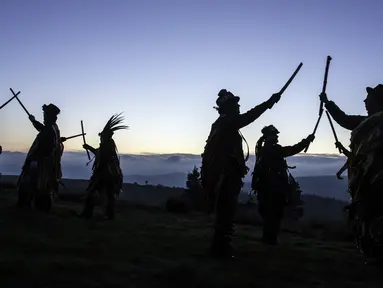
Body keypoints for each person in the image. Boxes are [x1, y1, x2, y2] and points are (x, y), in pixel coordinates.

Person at [200, 88, 281, 259]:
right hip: (226, 176)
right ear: (228, 108)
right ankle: (220, 250)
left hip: (225, 175)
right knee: (226, 212)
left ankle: (221, 247)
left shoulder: (222, 123)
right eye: (235, 106)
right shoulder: (227, 122)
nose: (238, 108)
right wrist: (268, 103)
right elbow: (248, 117)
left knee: (225, 212)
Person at [251, 125, 314, 245]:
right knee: (274, 214)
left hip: (265, 188)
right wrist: (306, 141)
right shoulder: (273, 150)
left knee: (269, 214)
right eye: (274, 135)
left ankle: (268, 239)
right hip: (273, 188)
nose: (277, 137)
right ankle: (270, 240)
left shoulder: (261, 148)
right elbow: (292, 150)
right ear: (268, 136)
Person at [78, 113, 127, 220]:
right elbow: (98, 153)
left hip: (106, 174)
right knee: (109, 195)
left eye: (102, 136)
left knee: (92, 192)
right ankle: (109, 215)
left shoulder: (107, 146)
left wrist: (98, 175)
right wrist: (89, 147)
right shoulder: (107, 145)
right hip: (110, 174)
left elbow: (102, 156)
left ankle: (88, 213)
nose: (100, 138)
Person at [17, 104, 61, 212]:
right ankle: (35, 205)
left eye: (45, 114)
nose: (44, 116)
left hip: (40, 163)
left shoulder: (50, 129)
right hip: (45, 163)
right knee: (39, 185)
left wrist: (34, 160)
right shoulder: (53, 127)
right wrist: (33, 121)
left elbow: (48, 146)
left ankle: (29, 205)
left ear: (49, 116)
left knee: (31, 183)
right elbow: (42, 129)